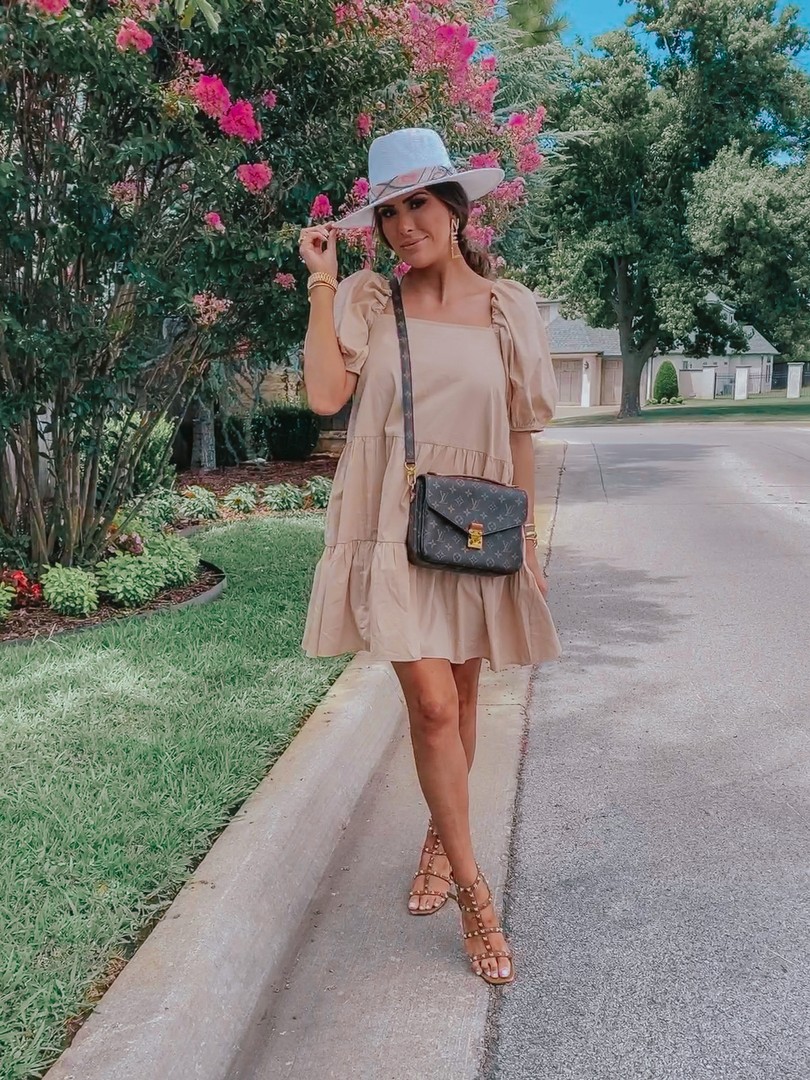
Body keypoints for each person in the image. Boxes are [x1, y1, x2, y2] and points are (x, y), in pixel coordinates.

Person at [298, 127, 561, 986]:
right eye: (390, 210)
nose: (405, 223)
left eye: (419, 203)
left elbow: (520, 428)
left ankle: (439, 842)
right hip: (395, 525)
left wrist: (523, 540)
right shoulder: (373, 301)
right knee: (433, 707)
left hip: (480, 524)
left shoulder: (507, 308)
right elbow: (325, 398)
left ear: (455, 208)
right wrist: (323, 280)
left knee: (468, 690)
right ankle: (477, 897)